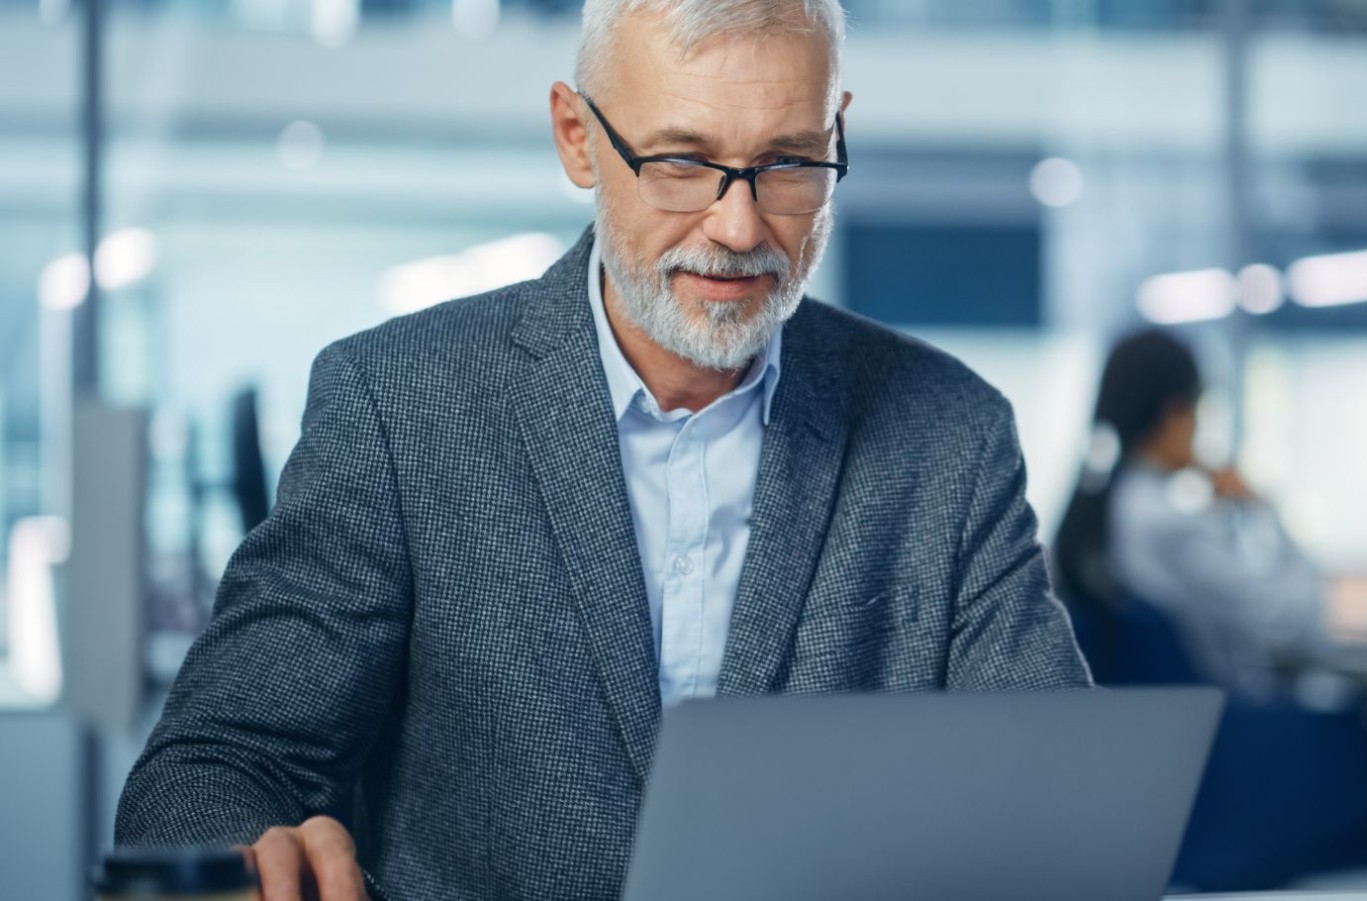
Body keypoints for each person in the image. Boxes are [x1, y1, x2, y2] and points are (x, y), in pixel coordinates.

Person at [113, 2, 1090, 898]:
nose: (739, 225)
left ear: (838, 135)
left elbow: (1057, 795)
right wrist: (250, 854)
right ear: (578, 138)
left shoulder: (949, 435)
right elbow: (207, 771)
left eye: (788, 161)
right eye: (681, 162)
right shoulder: (401, 406)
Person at [1053, 330, 1317, 699]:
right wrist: (1263, 510)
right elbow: (1289, 625)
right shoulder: (1167, 524)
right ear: (1173, 413)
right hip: (1232, 728)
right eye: (1198, 411)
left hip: (1159, 725)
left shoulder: (1106, 511)